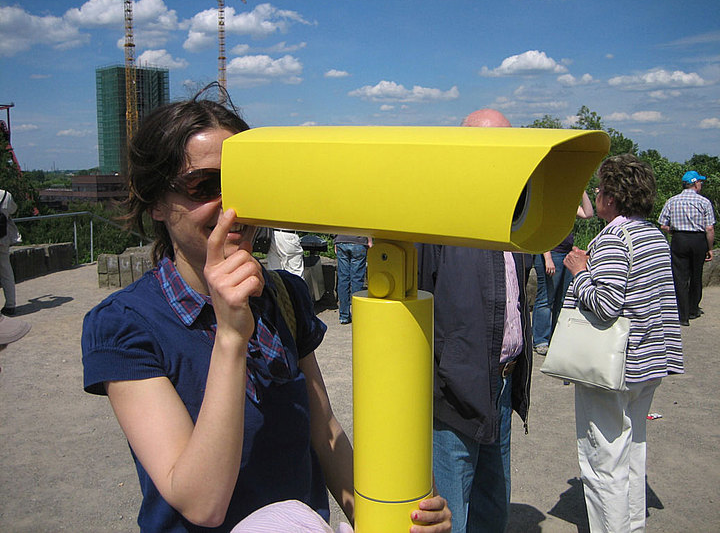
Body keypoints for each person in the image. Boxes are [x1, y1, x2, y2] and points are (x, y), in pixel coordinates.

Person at [81, 87, 450, 533]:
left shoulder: (285, 296)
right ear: (157, 202)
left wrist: (385, 516)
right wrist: (231, 337)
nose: (231, 207)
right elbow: (201, 504)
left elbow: (323, 430)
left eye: (244, 182)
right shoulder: (124, 324)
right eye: (205, 186)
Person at [416, 108, 533, 533]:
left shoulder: (518, 215)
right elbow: (415, 313)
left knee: (491, 509)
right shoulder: (437, 217)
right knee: (451, 514)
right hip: (453, 395)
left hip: (501, 384)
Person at [563, 154, 683, 532]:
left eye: (600, 190)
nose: (597, 196)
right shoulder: (652, 235)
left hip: (614, 368)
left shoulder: (616, 238)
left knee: (603, 464)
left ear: (612, 197)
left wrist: (580, 273)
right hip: (649, 361)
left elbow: (606, 304)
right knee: (632, 453)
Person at [532, 192, 594, 355]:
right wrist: (548, 258)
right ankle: (540, 339)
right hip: (551, 254)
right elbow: (541, 231)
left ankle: (556, 336)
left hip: (566, 254)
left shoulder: (569, 205)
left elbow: (588, 214)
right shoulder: (548, 205)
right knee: (546, 298)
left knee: (561, 300)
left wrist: (581, 191)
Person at [658, 170, 715, 325]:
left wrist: (674, 230)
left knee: (680, 277)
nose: (701, 185)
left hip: (679, 239)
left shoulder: (672, 201)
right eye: (700, 182)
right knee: (696, 275)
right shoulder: (704, 202)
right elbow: (709, 228)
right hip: (698, 240)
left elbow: (663, 223)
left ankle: (682, 314)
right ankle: (693, 309)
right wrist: (710, 248)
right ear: (695, 183)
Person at [333, 235, 371, 324]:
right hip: (359, 241)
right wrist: (369, 240)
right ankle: (357, 314)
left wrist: (335, 241)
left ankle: (344, 316)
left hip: (341, 241)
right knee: (357, 280)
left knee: (343, 279)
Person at [0, 188, 21, 316]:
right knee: (6, 272)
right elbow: (13, 209)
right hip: (2, 238)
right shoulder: (5, 195)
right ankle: (10, 305)